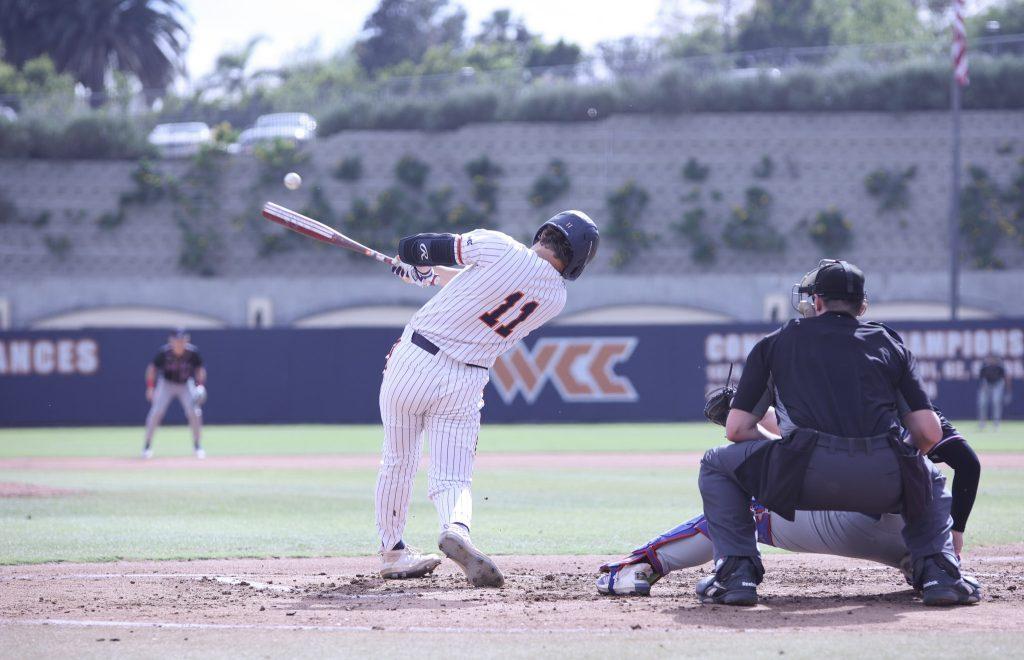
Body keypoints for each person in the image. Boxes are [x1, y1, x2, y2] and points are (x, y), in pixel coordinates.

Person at [693, 259, 979, 607]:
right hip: (883, 480)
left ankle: (735, 575)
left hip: (800, 478)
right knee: (929, 476)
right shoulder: (888, 343)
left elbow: (737, 429)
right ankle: (939, 574)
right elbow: (928, 432)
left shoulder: (777, 341)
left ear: (816, 302)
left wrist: (785, 450)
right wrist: (898, 463)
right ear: (862, 306)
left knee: (715, 464)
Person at [374, 211, 599, 586]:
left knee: (398, 461)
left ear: (544, 231)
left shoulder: (498, 245)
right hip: (466, 378)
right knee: (453, 474)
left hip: (414, 360)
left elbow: (413, 247)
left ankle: (393, 551)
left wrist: (417, 264)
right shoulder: (554, 298)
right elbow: (488, 287)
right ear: (574, 261)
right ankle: (457, 528)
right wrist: (431, 275)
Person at [143, 328, 207, 459]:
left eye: (182, 340)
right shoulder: (164, 352)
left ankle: (197, 445)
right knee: (156, 412)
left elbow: (200, 370)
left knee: (194, 412)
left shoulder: (192, 352)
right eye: (177, 340)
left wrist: (200, 386)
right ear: (171, 341)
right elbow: (151, 369)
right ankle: (147, 445)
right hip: (166, 384)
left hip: (186, 384)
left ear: (187, 340)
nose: (180, 343)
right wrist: (150, 387)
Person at [978, 355, 1011, 431]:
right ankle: (982, 423)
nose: (991, 360)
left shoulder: (1000, 367)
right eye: (990, 359)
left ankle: (996, 423)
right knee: (982, 403)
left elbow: (1006, 378)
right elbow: (982, 380)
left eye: (993, 359)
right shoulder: (984, 368)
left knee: (996, 402)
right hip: (987, 385)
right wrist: (984, 387)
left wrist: (1008, 391)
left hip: (997, 385)